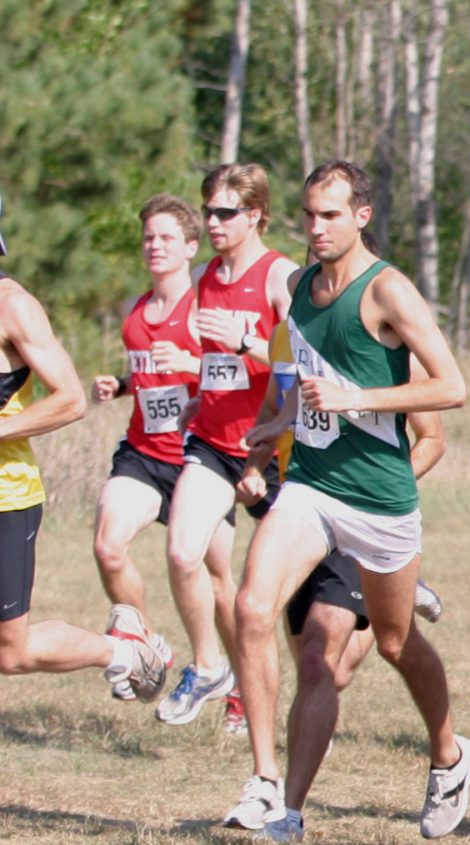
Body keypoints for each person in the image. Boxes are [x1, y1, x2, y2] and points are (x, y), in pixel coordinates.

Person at [220, 161, 470, 845]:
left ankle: (450, 754)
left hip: (381, 498)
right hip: (313, 484)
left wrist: (359, 398)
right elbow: (309, 380)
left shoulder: (388, 289)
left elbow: (452, 387)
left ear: (361, 215)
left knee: (395, 642)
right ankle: (273, 787)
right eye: (308, 215)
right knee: (251, 607)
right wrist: (279, 424)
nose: (315, 228)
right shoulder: (299, 289)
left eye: (330, 214)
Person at [0, 209, 172, 698]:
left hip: (6, 497)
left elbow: (71, 398)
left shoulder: (14, 306)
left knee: (10, 653)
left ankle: (122, 651)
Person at [158, 164, 293, 730]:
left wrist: (247, 340)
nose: (211, 222)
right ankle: (211, 666)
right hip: (213, 441)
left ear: (256, 214)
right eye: (208, 210)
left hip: (273, 446)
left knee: (288, 602)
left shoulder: (278, 275)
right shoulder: (207, 274)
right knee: (183, 554)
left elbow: (296, 361)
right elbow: (218, 363)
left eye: (224, 213)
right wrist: (200, 395)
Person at [89, 195, 210, 710]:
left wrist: (187, 361)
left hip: (198, 458)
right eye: (148, 238)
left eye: (165, 238)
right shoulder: (136, 311)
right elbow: (149, 377)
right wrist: (118, 386)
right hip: (142, 453)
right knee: (108, 547)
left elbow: (238, 383)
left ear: (189, 246)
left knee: (212, 578)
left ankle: (221, 679)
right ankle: (148, 650)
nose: (154, 246)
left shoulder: (204, 310)